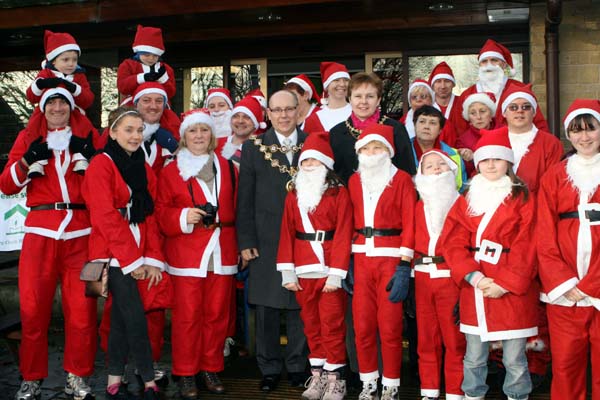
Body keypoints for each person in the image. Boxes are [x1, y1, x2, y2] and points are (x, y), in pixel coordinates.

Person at [0, 87, 100, 400]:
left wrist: (92, 156)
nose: (57, 107)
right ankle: (31, 377)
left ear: (71, 108)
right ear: (43, 109)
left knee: (82, 313)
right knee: (33, 311)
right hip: (40, 234)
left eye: (63, 103)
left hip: (81, 235)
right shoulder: (28, 139)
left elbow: (104, 180)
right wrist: (27, 160)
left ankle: (77, 376)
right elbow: (6, 183)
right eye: (52, 103)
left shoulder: (87, 138)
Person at [442, 129, 538, 400]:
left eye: (498, 159)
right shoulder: (467, 198)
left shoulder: (523, 198)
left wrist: (506, 283)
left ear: (508, 162)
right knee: (473, 356)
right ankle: (473, 395)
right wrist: (473, 277)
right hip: (477, 287)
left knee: (514, 359)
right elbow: (452, 241)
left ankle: (517, 396)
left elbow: (528, 244)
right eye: (485, 160)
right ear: (478, 163)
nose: (491, 165)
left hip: (511, 290)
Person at [82, 106, 164, 400]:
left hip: (138, 249)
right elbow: (104, 215)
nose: (135, 136)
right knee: (134, 316)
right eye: (128, 130)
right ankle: (147, 377)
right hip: (112, 252)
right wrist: (132, 261)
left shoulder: (141, 164)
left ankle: (113, 378)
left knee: (119, 317)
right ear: (113, 132)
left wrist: (152, 257)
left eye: (139, 130)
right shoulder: (101, 164)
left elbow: (151, 214)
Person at [155, 108, 238, 398]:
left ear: (212, 135)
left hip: (222, 250)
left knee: (216, 315)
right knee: (188, 316)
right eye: (193, 131)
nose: (199, 135)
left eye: (204, 130)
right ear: (183, 136)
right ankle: (186, 372)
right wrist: (181, 217)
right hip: (187, 254)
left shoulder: (228, 167)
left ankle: (210, 367)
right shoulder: (170, 170)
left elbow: (238, 208)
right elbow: (160, 212)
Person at [236, 90, 309, 391]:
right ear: (267, 113)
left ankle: (296, 365)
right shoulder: (254, 147)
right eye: (276, 110)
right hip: (265, 237)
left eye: (288, 109)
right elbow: (244, 198)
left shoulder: (313, 143)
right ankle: (268, 368)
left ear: (298, 111)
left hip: (304, 238)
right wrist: (246, 239)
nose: (283, 115)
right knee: (266, 306)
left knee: (298, 303)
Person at [277, 131, 353, 400]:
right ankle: (318, 374)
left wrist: (336, 274)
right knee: (311, 324)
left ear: (326, 165)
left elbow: (344, 233)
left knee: (332, 324)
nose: (309, 167)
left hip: (330, 268)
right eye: (305, 162)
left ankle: (335, 379)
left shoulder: (339, 194)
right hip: (303, 268)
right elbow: (286, 232)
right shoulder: (292, 196)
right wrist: (287, 271)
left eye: (315, 162)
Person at [537, 99, 600, 400]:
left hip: (597, 286)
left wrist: (592, 284)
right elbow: (544, 235)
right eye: (577, 131)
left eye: (591, 129)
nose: (584, 137)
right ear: (568, 134)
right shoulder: (555, 174)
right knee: (565, 365)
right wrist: (565, 282)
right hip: (565, 291)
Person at [349, 123, 416, 400]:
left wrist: (404, 263)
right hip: (361, 258)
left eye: (377, 147)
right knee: (362, 325)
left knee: (389, 327)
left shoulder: (401, 179)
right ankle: (368, 382)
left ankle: (391, 384)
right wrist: (345, 264)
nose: (371, 152)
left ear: (387, 151)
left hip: (391, 258)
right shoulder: (354, 181)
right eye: (366, 148)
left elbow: (411, 222)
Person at [413, 149, 465, 400]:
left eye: (440, 165)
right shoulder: (417, 205)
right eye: (429, 166)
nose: (435, 169)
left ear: (452, 170)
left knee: (455, 340)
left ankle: (455, 392)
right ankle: (429, 392)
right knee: (426, 339)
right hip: (422, 277)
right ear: (420, 174)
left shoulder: (463, 203)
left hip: (452, 277)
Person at [25, 30, 95, 177]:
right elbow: (31, 96)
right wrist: (41, 84)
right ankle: (38, 162)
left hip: (73, 112)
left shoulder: (79, 76)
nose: (71, 64)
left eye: (74, 60)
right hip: (46, 114)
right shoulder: (45, 74)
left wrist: (75, 89)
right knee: (35, 130)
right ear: (53, 61)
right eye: (66, 60)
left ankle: (80, 159)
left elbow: (88, 99)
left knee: (83, 129)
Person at [329, 72, 416, 184]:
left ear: (378, 100)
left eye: (370, 96)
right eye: (358, 96)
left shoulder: (396, 129)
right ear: (350, 99)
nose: (363, 102)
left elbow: (407, 173)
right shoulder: (336, 133)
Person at [451, 39, 549, 135]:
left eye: (494, 60)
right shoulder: (467, 94)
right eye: (484, 61)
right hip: (476, 148)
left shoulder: (520, 89)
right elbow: (460, 129)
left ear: (504, 64)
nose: (489, 65)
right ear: (479, 65)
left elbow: (538, 123)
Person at [410, 105, 467, 191]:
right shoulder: (402, 152)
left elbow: (462, 190)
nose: (426, 127)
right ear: (414, 125)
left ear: (440, 130)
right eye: (422, 121)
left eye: (432, 123)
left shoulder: (454, 156)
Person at [117, 25, 176, 99]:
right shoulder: (127, 65)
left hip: (160, 106)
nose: (151, 59)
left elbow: (171, 93)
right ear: (138, 53)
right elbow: (122, 87)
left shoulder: (166, 69)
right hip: (132, 106)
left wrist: (163, 79)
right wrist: (142, 78)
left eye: (155, 56)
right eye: (146, 55)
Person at [456, 92, 497, 177]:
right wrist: (469, 159)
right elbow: (463, 172)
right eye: (473, 113)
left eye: (482, 111)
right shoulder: (463, 141)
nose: (478, 117)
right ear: (469, 118)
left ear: (491, 114)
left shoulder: (505, 132)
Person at [304, 62, 352, 133]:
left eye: (346, 80)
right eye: (336, 80)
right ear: (326, 86)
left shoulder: (359, 111)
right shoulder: (314, 120)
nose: (342, 84)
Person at [218, 96, 266, 166]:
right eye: (236, 116)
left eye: (246, 117)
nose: (240, 121)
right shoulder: (216, 144)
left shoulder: (262, 150)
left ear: (255, 124)